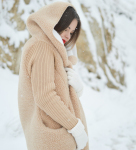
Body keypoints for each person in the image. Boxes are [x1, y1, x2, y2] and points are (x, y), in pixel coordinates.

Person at [18, 1, 89, 150]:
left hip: (58, 135)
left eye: (72, 32)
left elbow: (59, 90)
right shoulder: (42, 46)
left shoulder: (52, 48)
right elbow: (45, 96)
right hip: (53, 139)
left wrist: (77, 88)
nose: (68, 35)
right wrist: (76, 127)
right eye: (66, 28)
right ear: (55, 21)